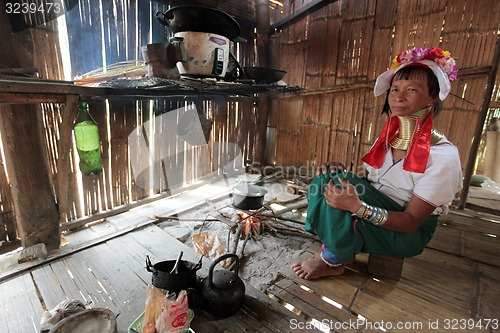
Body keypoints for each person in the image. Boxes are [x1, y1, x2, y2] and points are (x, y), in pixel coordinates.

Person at [292, 47, 463, 280]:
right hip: (380, 206)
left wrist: (357, 207)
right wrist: (341, 171)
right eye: (394, 89)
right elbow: (375, 179)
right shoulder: (389, 139)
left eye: (411, 90)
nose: (398, 97)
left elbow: (411, 222)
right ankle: (337, 245)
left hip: (405, 234)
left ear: (433, 97)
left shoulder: (443, 157)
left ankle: (333, 259)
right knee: (326, 178)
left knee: (336, 190)